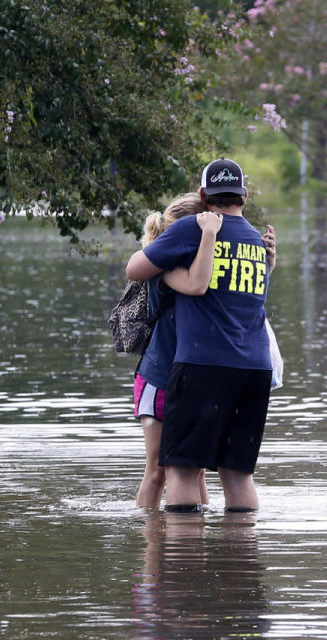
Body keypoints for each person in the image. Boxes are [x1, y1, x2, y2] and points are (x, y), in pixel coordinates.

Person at [126, 158, 277, 513]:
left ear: (202, 194)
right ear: (243, 195)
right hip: (255, 370)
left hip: (203, 366)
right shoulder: (257, 241)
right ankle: (239, 562)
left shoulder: (194, 227)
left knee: (181, 472)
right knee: (238, 475)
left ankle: (184, 566)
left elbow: (135, 270)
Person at [134, 193, 222, 508]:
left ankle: (194, 545)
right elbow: (196, 284)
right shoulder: (166, 268)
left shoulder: (206, 263)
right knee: (157, 471)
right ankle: (153, 550)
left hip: (191, 379)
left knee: (196, 470)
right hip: (158, 377)